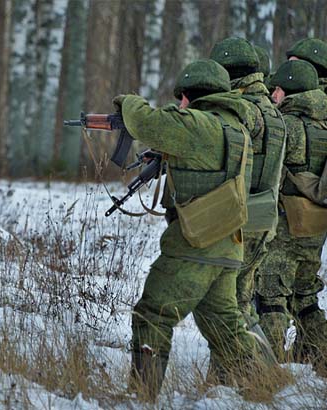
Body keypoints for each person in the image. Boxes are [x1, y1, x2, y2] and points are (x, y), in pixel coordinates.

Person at [113, 59, 263, 400]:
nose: (179, 103)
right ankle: (264, 389)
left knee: (152, 315)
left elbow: (146, 122)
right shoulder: (236, 128)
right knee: (225, 328)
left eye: (181, 97)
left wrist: (128, 101)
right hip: (227, 244)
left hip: (195, 243)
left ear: (189, 97)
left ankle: (141, 397)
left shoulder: (198, 125)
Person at [210, 38, 286, 330]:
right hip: (263, 217)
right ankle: (257, 370)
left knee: (226, 303)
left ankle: (237, 370)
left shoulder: (241, 110)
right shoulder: (271, 109)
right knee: (241, 300)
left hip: (238, 219)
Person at [256, 60, 327, 374]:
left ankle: (265, 369)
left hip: (287, 227)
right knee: (306, 295)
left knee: (271, 297)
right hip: (316, 227)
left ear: (289, 90)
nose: (274, 95)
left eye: (278, 89)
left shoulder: (287, 126)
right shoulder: (324, 122)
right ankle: (320, 357)